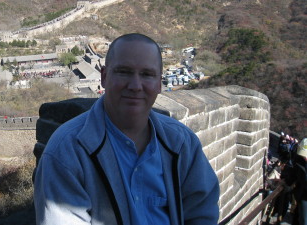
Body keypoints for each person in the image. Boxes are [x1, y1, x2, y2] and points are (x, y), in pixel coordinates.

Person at [34, 33, 220, 225]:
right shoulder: (67, 151)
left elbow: (202, 213)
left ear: (159, 84)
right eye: (124, 72)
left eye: (147, 74)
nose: (135, 86)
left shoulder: (182, 143)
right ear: (104, 77)